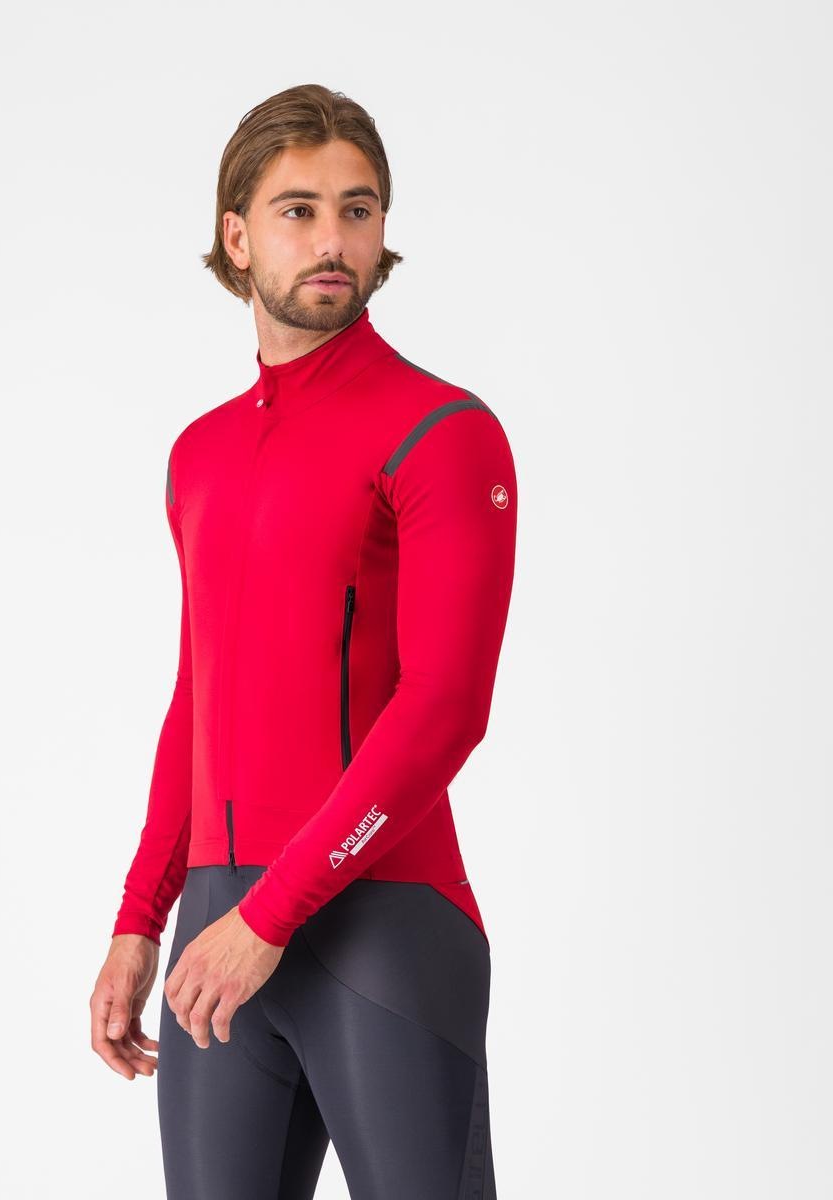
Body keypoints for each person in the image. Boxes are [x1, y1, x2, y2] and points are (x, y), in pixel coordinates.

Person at [89, 83, 517, 1199]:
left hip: (383, 920)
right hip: (217, 921)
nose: (333, 240)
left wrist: (271, 912)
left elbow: (445, 708)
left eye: (357, 210)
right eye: (299, 210)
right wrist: (142, 917)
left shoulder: (442, 431)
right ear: (236, 236)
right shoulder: (200, 454)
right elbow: (201, 696)